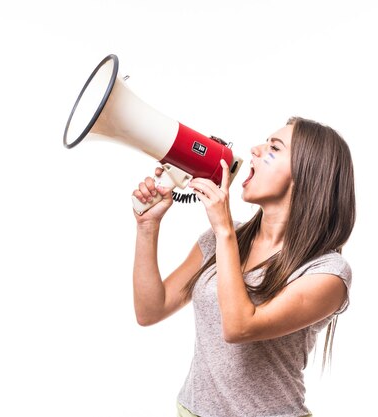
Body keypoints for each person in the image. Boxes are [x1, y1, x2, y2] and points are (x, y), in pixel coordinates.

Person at [132, 117, 355, 417]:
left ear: (305, 175)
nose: (255, 150)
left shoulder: (327, 273)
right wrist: (148, 227)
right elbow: (150, 310)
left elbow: (239, 327)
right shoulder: (219, 240)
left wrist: (225, 231)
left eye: (273, 147)